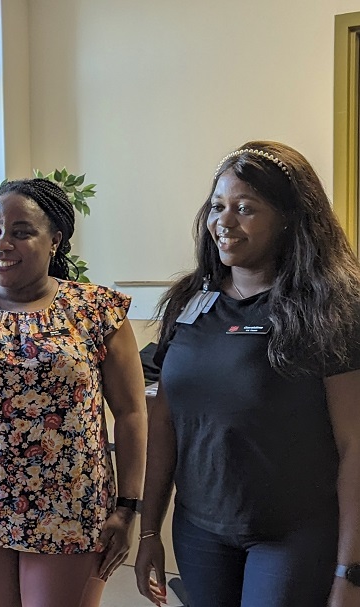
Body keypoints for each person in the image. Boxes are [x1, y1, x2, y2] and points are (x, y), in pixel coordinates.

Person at [134, 141, 360, 607]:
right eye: (217, 206)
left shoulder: (331, 310)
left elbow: (355, 445)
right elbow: (166, 421)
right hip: (199, 531)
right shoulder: (189, 301)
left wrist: (350, 572)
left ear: (288, 218)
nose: (225, 221)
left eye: (245, 208)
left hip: (292, 535)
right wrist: (149, 529)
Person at [0, 178, 148, 607]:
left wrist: (128, 507)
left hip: (69, 509)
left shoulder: (95, 310)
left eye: (20, 231)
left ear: (55, 241)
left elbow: (131, 413)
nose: (1, 243)